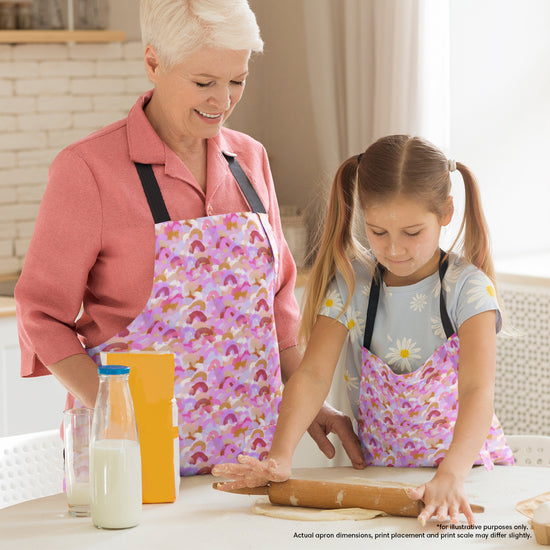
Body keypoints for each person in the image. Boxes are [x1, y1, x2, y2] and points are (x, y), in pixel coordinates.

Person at [14, 0, 362, 476]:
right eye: (204, 83)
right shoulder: (88, 170)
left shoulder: (250, 160)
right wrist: (113, 409)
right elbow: (41, 315)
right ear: (154, 62)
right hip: (131, 455)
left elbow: (277, 303)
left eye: (237, 80)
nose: (223, 100)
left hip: (249, 460)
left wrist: (307, 402)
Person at [212, 134, 514, 523]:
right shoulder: (354, 284)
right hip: (383, 482)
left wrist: (451, 475)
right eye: (377, 231)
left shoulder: (468, 290)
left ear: (446, 212)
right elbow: (312, 376)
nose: (394, 249)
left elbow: (477, 391)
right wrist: (280, 456)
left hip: (466, 480)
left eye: (412, 232)